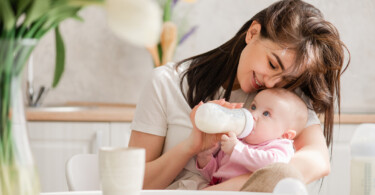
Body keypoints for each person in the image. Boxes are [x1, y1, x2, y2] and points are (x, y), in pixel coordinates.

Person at [129, 0, 350, 191]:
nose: (271, 83)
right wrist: (191, 147)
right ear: (253, 33)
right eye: (272, 64)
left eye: (285, 79)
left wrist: (227, 190)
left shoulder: (282, 99)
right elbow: (133, 183)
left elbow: (317, 161)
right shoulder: (166, 83)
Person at [195, 88, 308, 188]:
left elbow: (274, 166)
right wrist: (205, 158)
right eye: (253, 107)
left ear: (285, 135)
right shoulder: (237, 140)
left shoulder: (279, 146)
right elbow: (216, 174)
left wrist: (236, 150)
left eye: (266, 114)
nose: (253, 114)